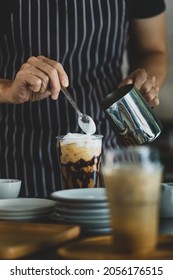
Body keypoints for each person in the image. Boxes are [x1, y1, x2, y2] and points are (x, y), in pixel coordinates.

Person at [0, 0, 168, 198]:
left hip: (109, 158)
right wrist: (7, 88)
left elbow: (153, 50)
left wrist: (146, 81)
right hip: (23, 161)